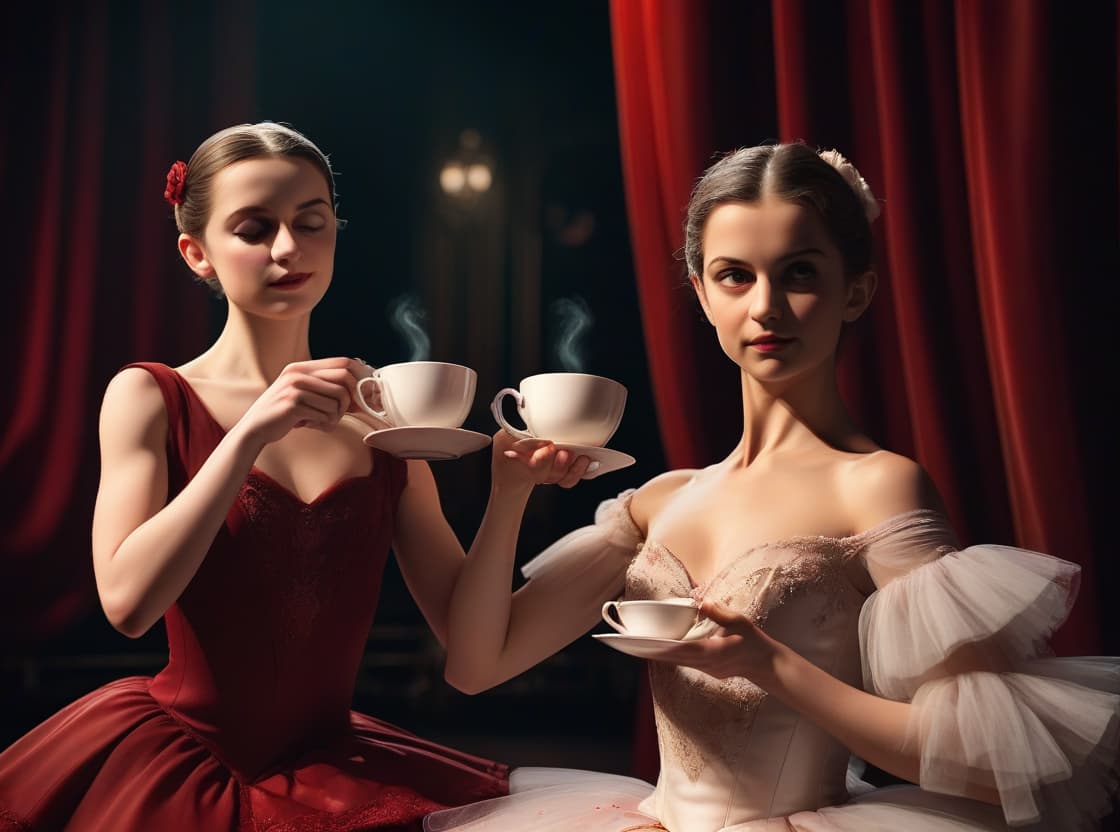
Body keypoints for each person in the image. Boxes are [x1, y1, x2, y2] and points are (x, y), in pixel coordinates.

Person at [424, 142, 1120, 830]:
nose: (765, 307)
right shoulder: (658, 502)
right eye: (734, 275)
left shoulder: (877, 487)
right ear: (699, 292)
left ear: (856, 290)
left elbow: (988, 758)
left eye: (798, 272)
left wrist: (772, 665)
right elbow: (477, 665)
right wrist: (509, 492)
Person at [0, 121, 515, 831]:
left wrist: (510, 492)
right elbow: (127, 603)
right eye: (255, 228)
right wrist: (252, 431)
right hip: (182, 771)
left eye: (311, 223)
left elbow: (465, 643)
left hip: (338, 774)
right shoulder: (149, 396)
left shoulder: (385, 414)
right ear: (197, 253)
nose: (289, 248)